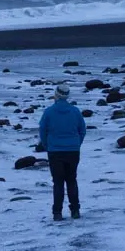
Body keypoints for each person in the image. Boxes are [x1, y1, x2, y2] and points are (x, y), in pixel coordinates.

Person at [38, 83, 86, 221]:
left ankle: (57, 213)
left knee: (58, 182)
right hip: (72, 150)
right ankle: (75, 210)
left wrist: (48, 145)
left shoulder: (49, 112)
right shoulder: (75, 111)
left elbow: (42, 131)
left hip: (55, 151)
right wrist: (76, 143)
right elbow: (82, 130)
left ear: (56, 95)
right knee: (71, 180)